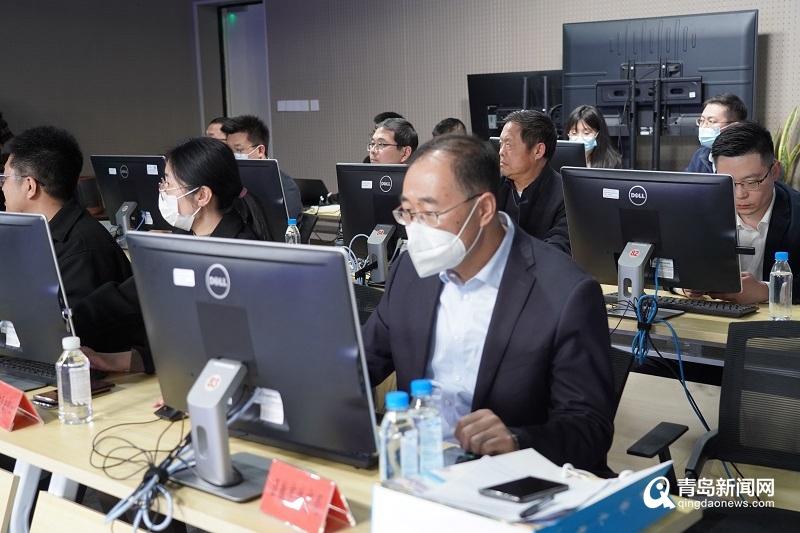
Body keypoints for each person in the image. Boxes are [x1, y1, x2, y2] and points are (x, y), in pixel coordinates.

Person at [362, 134, 615, 472]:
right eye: (408, 212)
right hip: (420, 466)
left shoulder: (566, 292)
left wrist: (518, 440)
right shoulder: (411, 270)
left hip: (514, 478)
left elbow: (590, 428)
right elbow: (362, 363)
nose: (415, 229)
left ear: (483, 210)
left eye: (430, 212)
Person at [73, 137, 273, 372]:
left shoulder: (240, 255)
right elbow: (131, 294)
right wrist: (67, 322)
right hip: (178, 370)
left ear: (202, 195)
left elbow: (217, 340)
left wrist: (128, 360)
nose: (162, 191)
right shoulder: (182, 240)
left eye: (168, 184)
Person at [2, 125, 131, 307]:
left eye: (5, 178)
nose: (2, 187)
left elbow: (71, 322)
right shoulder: (44, 233)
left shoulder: (82, 252)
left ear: (29, 186)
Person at [686, 121, 800, 305]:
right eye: (728, 182)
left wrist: (766, 290)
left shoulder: (796, 213)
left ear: (774, 171)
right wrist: (683, 285)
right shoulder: (699, 209)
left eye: (751, 182)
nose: (740, 194)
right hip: (713, 314)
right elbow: (664, 266)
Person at [494, 110, 570, 253]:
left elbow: (558, 248)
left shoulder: (566, 195)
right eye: (501, 144)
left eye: (509, 144)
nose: (501, 152)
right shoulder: (492, 187)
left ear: (538, 151)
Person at [221, 114, 302, 221]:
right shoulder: (231, 179)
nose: (232, 155)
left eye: (239, 150)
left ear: (260, 150)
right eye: (229, 150)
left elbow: (282, 225)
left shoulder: (283, 185)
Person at [685, 93, 748, 173]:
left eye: (712, 121)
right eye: (702, 120)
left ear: (734, 127)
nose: (704, 126)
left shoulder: (748, 158)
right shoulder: (700, 156)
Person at [564, 105, 622, 169]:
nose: (579, 138)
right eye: (574, 133)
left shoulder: (612, 164)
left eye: (586, 133)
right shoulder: (561, 160)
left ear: (598, 134)